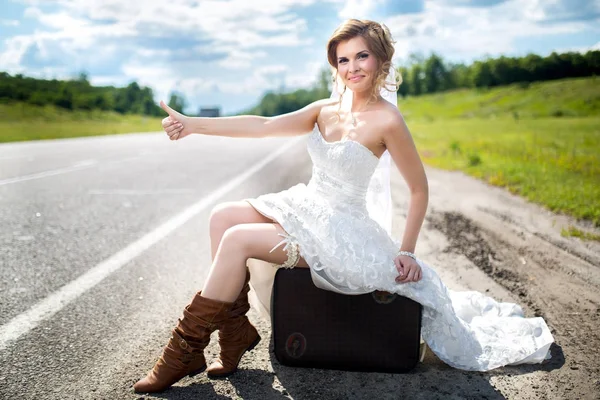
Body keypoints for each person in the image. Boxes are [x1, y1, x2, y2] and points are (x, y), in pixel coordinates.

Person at [133, 19, 554, 394]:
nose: (352, 67)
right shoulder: (323, 111)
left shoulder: (388, 120)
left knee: (238, 239)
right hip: (308, 206)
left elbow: (420, 189)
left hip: (342, 231)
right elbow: (261, 126)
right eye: (342, 59)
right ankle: (235, 332)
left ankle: (182, 352)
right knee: (221, 216)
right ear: (334, 66)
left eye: (361, 57)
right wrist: (193, 125)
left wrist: (406, 251)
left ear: (380, 60)